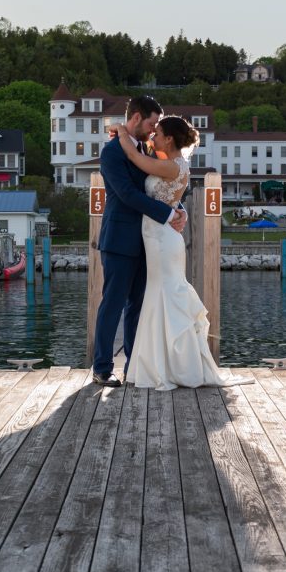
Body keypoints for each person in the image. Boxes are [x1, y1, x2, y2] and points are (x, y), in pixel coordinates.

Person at [113, 115, 249, 391]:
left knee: (166, 295)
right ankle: (161, 364)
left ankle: (175, 367)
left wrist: (119, 130)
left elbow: (133, 156)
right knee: (158, 295)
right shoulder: (172, 163)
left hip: (163, 240)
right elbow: (168, 198)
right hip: (157, 238)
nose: (153, 137)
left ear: (169, 139)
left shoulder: (171, 166)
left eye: (157, 133)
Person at [92, 96, 186, 387]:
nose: (154, 128)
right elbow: (128, 195)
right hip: (120, 240)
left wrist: (178, 209)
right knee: (113, 304)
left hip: (149, 243)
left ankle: (134, 367)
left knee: (138, 307)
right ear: (135, 119)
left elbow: (163, 187)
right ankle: (102, 368)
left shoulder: (145, 149)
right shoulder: (111, 153)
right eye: (151, 122)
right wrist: (169, 214)